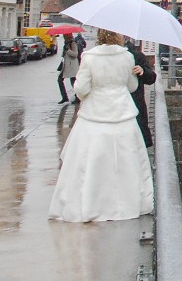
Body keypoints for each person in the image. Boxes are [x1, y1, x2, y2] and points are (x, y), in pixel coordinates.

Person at [48, 28, 153, 222]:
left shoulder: (89, 57)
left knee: (89, 161)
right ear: (118, 36)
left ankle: (90, 203)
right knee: (126, 161)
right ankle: (125, 204)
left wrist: (94, 91)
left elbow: (81, 89)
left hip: (94, 114)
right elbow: (132, 86)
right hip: (122, 112)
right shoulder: (127, 57)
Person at [125, 38, 157, 147]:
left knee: (137, 142)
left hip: (135, 104)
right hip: (114, 106)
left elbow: (152, 78)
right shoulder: (105, 58)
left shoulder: (136, 56)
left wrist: (142, 70)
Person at [57, 35, 81, 104]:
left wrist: (68, 50)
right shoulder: (66, 43)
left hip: (72, 65)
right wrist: (64, 51)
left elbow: (75, 54)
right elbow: (64, 55)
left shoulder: (73, 43)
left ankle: (78, 97)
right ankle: (64, 97)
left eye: (65, 36)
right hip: (66, 65)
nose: (64, 37)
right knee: (60, 79)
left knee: (73, 82)